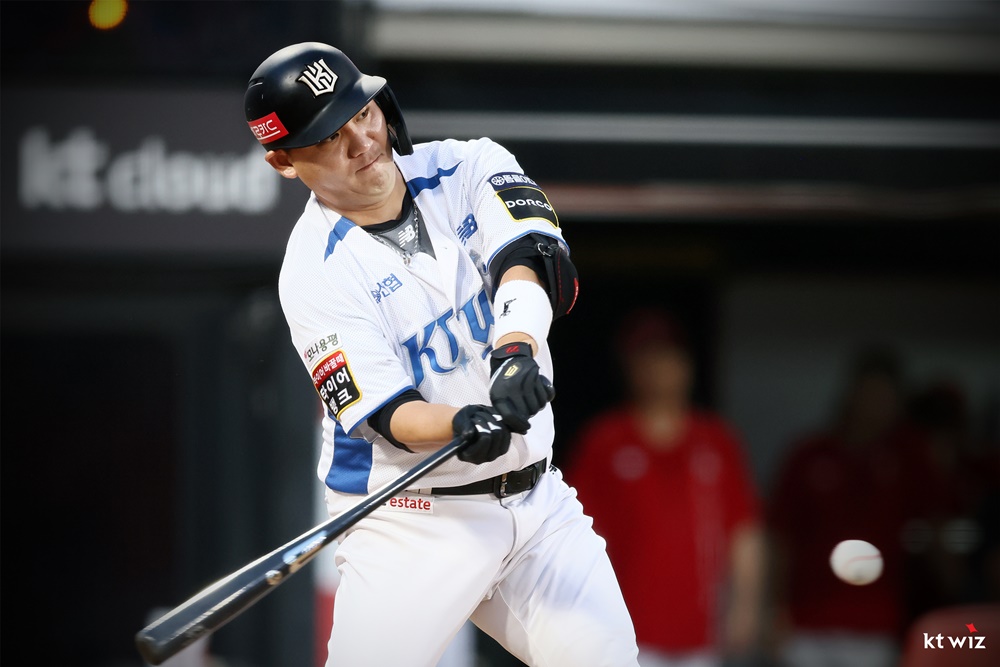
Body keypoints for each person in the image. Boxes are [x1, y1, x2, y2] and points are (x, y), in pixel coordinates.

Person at [244, 42, 639, 667]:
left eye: (363, 114)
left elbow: (532, 260)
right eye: (328, 137)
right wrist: (457, 424)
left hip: (538, 506)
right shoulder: (311, 273)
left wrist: (514, 353)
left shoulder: (469, 164)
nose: (361, 142)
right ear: (282, 160)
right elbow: (389, 415)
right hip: (411, 519)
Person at [564, 308, 766, 667]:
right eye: (645, 357)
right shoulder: (605, 440)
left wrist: (746, 605)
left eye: (667, 355)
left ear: (687, 363)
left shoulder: (716, 441)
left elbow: (744, 532)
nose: (658, 367)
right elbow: (574, 536)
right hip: (622, 627)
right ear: (627, 366)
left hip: (701, 630)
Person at [766, 346, 913, 667]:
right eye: (869, 393)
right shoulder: (809, 455)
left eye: (884, 396)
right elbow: (779, 539)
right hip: (808, 624)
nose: (875, 404)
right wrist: (776, 610)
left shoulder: (907, 460)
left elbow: (931, 531)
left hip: (876, 625)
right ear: (852, 394)